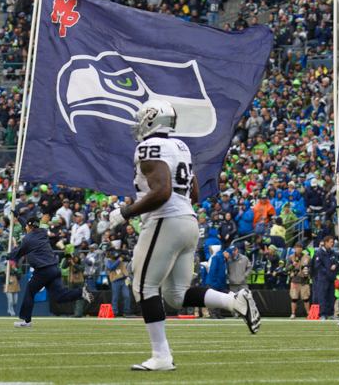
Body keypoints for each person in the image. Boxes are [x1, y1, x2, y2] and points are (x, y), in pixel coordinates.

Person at [107, 100, 259, 371]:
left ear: (152, 120)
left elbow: (162, 191)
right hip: (188, 220)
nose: (139, 124)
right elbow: (195, 194)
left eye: (143, 118)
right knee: (176, 296)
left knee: (143, 287)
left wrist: (126, 211)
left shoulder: (149, 147)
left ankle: (161, 356)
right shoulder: (181, 146)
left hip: (165, 220)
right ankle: (234, 301)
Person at [7, 215, 93, 327]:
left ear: (29, 226)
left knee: (29, 292)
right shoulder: (42, 232)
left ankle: (26, 321)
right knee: (58, 296)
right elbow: (27, 226)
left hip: (43, 269)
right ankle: (81, 292)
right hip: (55, 268)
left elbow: (19, 251)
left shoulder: (28, 239)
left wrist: (7, 256)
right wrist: (19, 217)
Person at [313, 235, 337, 319]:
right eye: (331, 242)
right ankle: (322, 314)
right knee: (322, 296)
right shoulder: (320, 252)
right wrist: (326, 271)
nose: (332, 243)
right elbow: (317, 265)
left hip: (331, 278)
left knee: (331, 297)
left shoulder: (332, 252)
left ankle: (330, 313)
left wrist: (335, 265)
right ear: (326, 242)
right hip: (323, 279)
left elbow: (337, 262)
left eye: (333, 242)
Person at [287, 241, 311, 319]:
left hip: (304, 280)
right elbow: (287, 268)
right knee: (294, 298)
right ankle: (293, 313)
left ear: (302, 248)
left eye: (300, 247)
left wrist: (307, 270)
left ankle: (308, 313)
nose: (299, 249)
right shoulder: (291, 257)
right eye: (298, 247)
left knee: (306, 298)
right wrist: (292, 266)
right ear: (295, 248)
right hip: (295, 279)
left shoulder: (307, 257)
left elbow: (312, 268)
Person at [107, 248, 131, 317]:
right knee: (115, 297)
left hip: (124, 280)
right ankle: (114, 312)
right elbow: (111, 267)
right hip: (115, 281)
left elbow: (128, 258)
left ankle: (126, 311)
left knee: (126, 296)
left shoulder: (122, 260)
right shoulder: (109, 261)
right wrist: (118, 261)